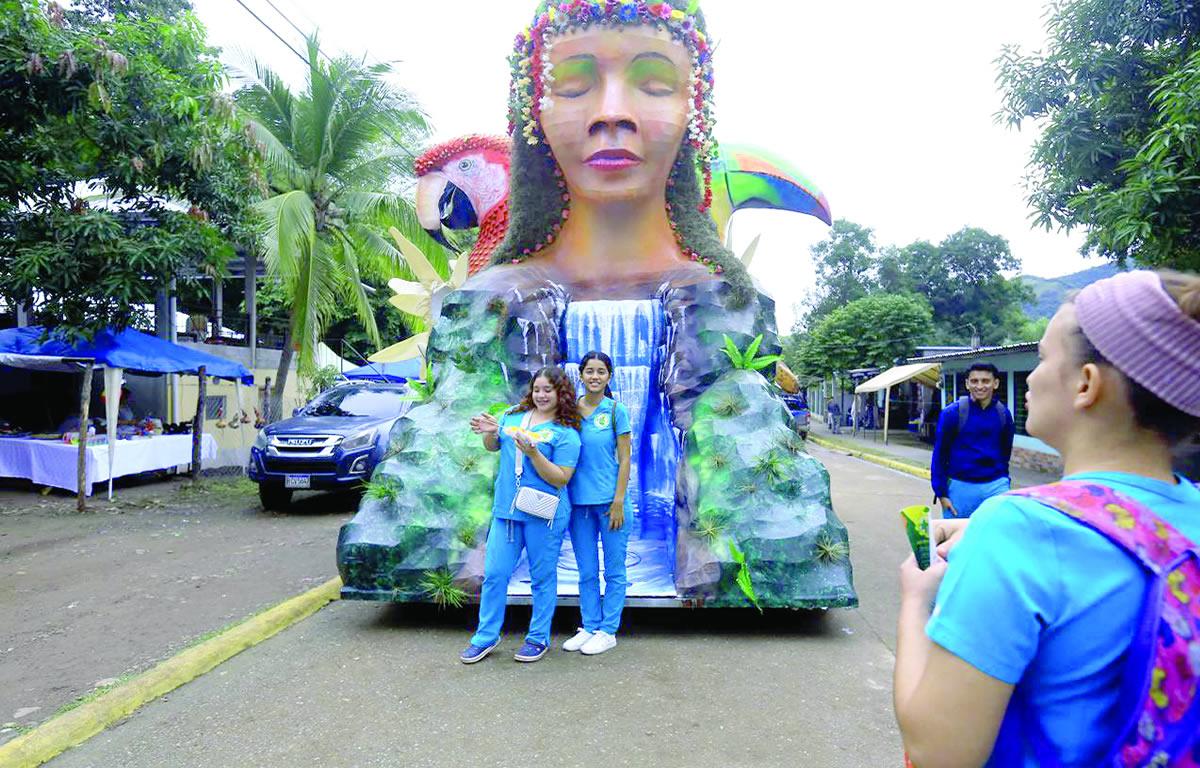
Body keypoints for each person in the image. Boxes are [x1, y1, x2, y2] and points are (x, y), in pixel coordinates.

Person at [894, 270, 1200, 766]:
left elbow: (937, 752)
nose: (1031, 378)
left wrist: (915, 598)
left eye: (1041, 358)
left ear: (1086, 384)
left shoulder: (1018, 530)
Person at [462, 366, 581, 664]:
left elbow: (560, 478)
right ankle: (486, 636)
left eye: (548, 390)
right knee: (495, 574)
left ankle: (538, 637)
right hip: (507, 511)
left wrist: (534, 454)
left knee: (542, 577)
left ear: (560, 394)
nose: (541, 395)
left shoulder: (566, 434)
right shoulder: (512, 417)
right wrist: (490, 432)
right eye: (537, 389)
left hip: (545, 514)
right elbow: (492, 446)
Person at [563, 351, 632, 656]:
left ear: (609, 376)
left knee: (614, 570)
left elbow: (626, 457)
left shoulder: (616, 410)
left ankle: (608, 630)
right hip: (579, 504)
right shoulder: (570, 411)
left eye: (600, 371)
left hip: (610, 504)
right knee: (587, 570)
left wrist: (618, 500)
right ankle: (590, 625)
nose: (594, 376)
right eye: (589, 371)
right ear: (581, 375)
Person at [930, 362, 1015, 518]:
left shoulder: (1004, 414)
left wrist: (1004, 481)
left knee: (995, 538)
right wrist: (941, 493)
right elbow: (939, 454)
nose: (980, 386)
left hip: (995, 486)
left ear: (995, 383)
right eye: (974, 381)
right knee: (955, 540)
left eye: (985, 381)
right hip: (960, 487)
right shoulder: (952, 413)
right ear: (967, 384)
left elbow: (1005, 452)